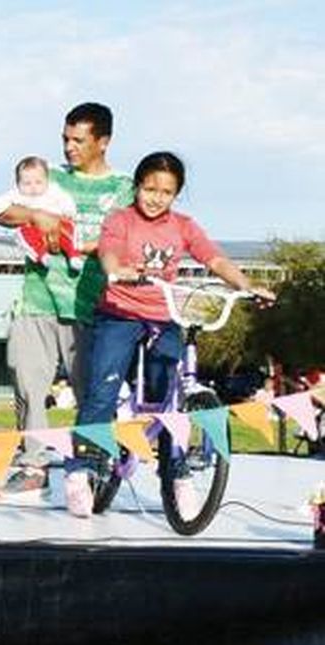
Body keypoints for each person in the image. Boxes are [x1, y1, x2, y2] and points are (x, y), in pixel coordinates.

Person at [64, 152, 275, 518]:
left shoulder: (184, 226)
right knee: (103, 389)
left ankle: (175, 473)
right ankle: (82, 469)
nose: (156, 198)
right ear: (137, 186)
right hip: (120, 314)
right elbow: (108, 253)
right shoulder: (121, 219)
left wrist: (247, 284)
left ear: (176, 194)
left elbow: (214, 259)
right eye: (149, 189)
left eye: (166, 192)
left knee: (169, 395)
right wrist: (119, 271)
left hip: (163, 316)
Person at [0, 103, 134, 503]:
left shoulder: (123, 187)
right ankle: (34, 468)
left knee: (91, 395)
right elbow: (2, 211)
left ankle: (90, 470)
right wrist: (38, 216)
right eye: (65, 139)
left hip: (92, 306)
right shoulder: (47, 177)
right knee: (29, 385)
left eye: (79, 141)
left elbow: (131, 236)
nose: (69, 148)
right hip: (37, 299)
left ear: (103, 141)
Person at [0, 155, 80, 269]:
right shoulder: (17, 195)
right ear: (18, 184)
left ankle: (73, 256)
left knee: (70, 230)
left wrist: (69, 212)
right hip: (33, 228)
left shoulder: (53, 190)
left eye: (38, 182)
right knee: (24, 233)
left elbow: (65, 200)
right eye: (27, 183)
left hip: (58, 224)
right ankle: (41, 256)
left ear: (46, 181)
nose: (33, 187)